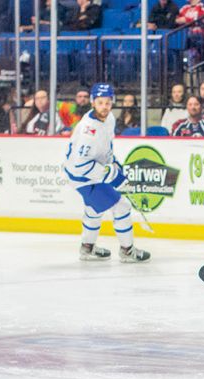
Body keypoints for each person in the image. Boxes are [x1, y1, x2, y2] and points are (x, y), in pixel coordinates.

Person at [62, 83, 150, 263]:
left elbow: (105, 148)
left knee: (94, 209)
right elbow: (81, 166)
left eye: (108, 102)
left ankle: (87, 248)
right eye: (100, 102)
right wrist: (111, 175)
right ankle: (127, 251)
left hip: (91, 172)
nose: (104, 107)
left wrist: (114, 164)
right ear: (93, 102)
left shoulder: (109, 118)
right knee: (122, 206)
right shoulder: (88, 130)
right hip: (82, 177)